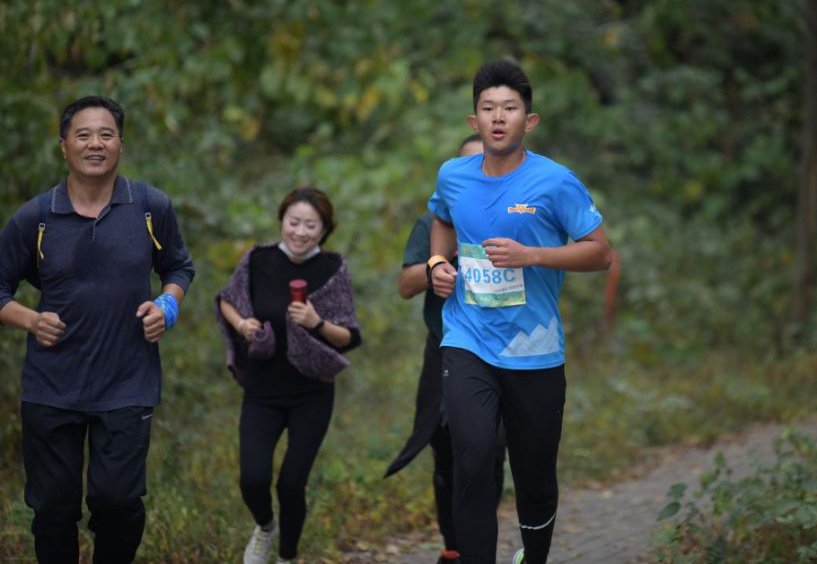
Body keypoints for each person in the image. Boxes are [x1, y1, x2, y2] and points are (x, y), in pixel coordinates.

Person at [427, 60, 612, 564]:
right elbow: (440, 220)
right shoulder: (453, 175)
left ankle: (533, 556)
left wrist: (533, 255)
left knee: (534, 477)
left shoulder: (555, 182)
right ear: (474, 122)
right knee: (473, 455)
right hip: (467, 339)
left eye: (509, 108)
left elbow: (600, 252)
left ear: (529, 120)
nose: (498, 117)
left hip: (534, 352)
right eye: (488, 109)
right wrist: (437, 262)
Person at [0, 95, 196, 563]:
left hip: (127, 383)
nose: (95, 143)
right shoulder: (36, 218)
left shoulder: (150, 207)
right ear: (64, 145)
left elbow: (179, 267)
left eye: (106, 134)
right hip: (51, 386)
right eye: (83, 134)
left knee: (117, 503)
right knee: (52, 510)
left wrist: (166, 306)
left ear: (121, 145)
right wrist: (30, 319)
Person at [215, 186, 362, 564]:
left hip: (312, 393)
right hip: (263, 390)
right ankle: (265, 527)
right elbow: (226, 301)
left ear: (325, 229)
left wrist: (317, 323)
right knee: (253, 478)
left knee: (293, 483)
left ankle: (287, 557)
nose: (300, 232)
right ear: (281, 220)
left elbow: (349, 337)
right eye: (293, 222)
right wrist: (244, 325)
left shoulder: (332, 269)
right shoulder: (259, 259)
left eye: (310, 225)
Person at [384, 134, 506, 564]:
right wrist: (442, 259)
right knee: (446, 451)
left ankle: (478, 542)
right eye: (468, 166)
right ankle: (454, 549)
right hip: (445, 351)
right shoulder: (433, 222)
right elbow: (404, 285)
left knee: (490, 453)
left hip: (500, 353)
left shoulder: (512, 217)